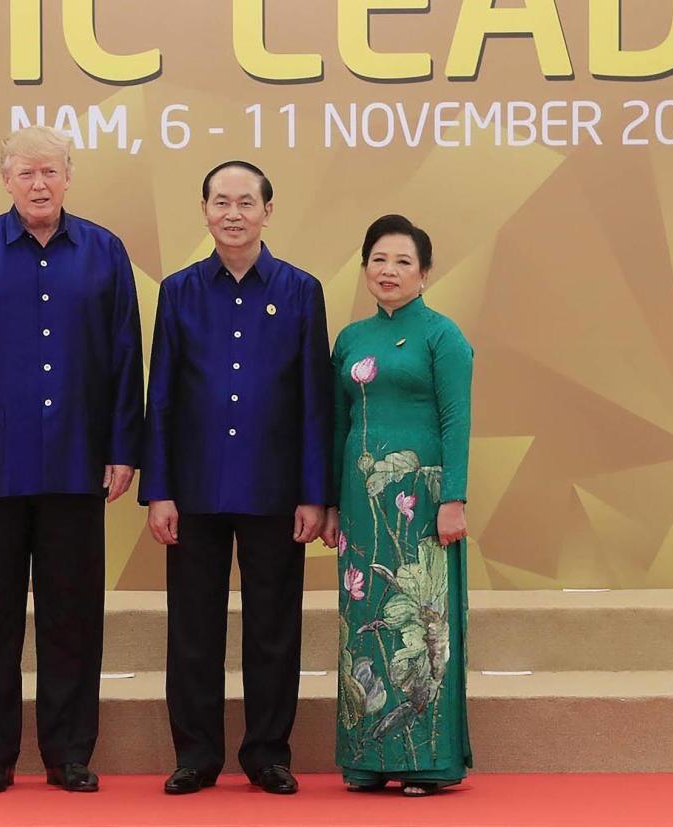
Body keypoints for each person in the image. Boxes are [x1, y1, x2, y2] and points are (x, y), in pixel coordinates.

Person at [0, 126, 143, 794]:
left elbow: (127, 356)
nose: (38, 184)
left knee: (72, 615)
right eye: (25, 173)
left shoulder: (104, 251)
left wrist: (123, 449)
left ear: (69, 175)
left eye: (49, 171)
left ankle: (69, 752)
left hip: (77, 464)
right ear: (5, 179)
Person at [140, 160, 333, 796]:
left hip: (276, 491)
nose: (233, 212)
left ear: (267, 212)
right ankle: (195, 755)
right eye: (220, 201)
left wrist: (314, 492)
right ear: (204, 211)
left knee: (274, 628)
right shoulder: (179, 290)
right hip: (193, 490)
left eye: (245, 201)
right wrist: (159, 489)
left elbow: (314, 400)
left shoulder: (302, 291)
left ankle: (268, 754)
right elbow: (161, 395)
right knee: (193, 629)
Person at [321, 214, 474, 795]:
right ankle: (365, 755)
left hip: (424, 499)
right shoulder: (350, 340)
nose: (389, 272)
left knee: (422, 618)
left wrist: (454, 497)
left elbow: (457, 420)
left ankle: (427, 760)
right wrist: (334, 503)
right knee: (366, 619)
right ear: (364, 268)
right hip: (362, 502)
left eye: (403, 262)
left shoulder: (443, 336)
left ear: (425, 273)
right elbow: (339, 425)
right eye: (379, 260)